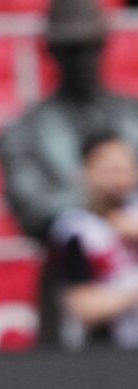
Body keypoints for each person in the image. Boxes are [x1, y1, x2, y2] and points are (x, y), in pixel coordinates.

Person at [0, 0, 138, 346]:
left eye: (89, 47)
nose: (81, 60)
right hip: (73, 290)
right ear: (51, 52)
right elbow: (34, 210)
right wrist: (107, 203)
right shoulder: (23, 131)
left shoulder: (132, 116)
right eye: (69, 49)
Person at [50, 130, 138, 348]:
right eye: (110, 169)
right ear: (88, 172)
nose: (119, 178)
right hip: (106, 350)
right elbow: (83, 306)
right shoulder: (75, 230)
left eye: (125, 168)